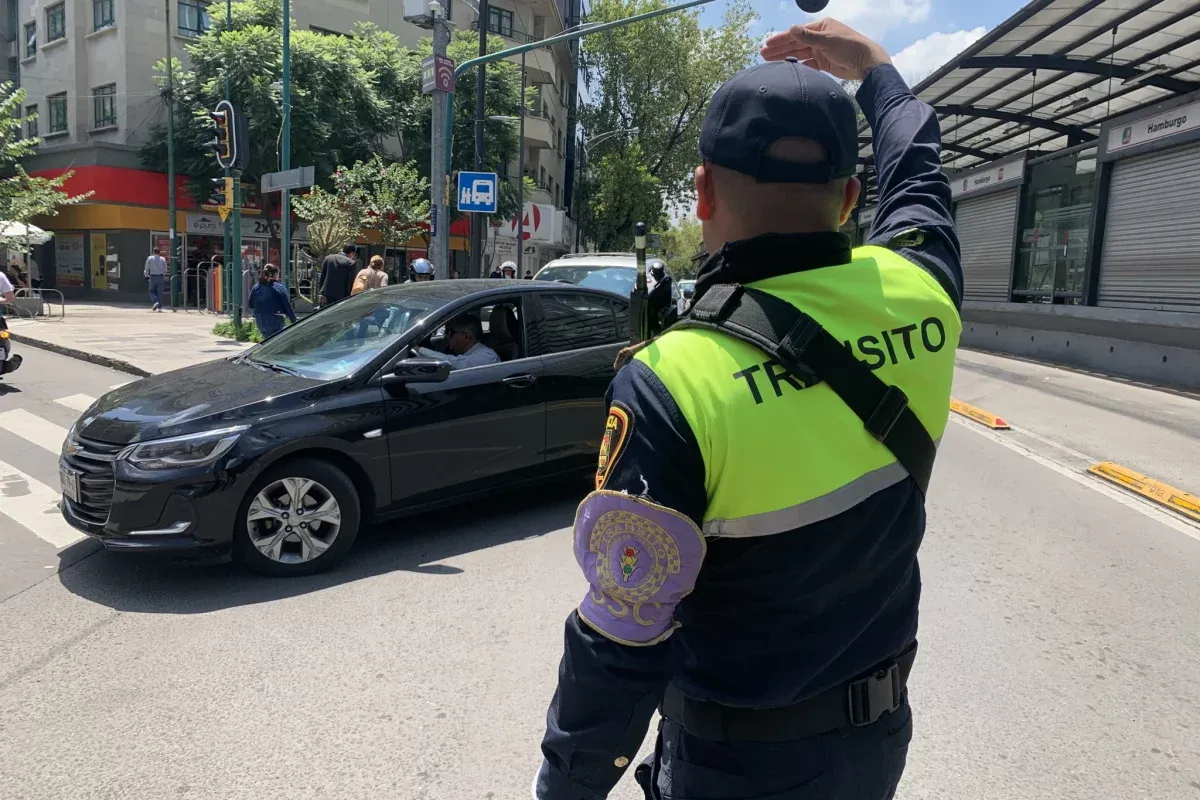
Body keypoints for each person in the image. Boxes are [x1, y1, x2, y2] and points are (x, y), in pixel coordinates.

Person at [534, 17, 963, 800]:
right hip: (876, 743)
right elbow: (918, 163)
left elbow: (621, 639)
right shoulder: (921, 291)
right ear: (849, 198)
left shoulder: (675, 380)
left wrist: (563, 786)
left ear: (701, 191)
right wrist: (874, 66)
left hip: (735, 768)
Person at [414, 312, 498, 369]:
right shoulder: (465, 353)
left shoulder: (487, 356)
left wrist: (419, 350)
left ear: (466, 337)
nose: (446, 336)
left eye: (450, 332)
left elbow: (454, 363)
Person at [247, 263, 297, 339]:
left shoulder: (256, 287)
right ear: (275, 275)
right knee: (277, 342)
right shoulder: (279, 287)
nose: (279, 276)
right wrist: (294, 321)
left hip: (260, 320)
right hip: (275, 319)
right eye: (278, 274)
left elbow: (250, 304)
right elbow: (287, 305)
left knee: (267, 341)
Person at [144, 247, 168, 311]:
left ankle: (155, 301)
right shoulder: (163, 259)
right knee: (160, 293)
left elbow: (147, 267)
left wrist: (146, 274)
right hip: (160, 277)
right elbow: (165, 268)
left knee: (151, 290)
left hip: (153, 277)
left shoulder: (150, 258)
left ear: (153, 252)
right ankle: (160, 308)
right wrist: (163, 275)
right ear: (159, 252)